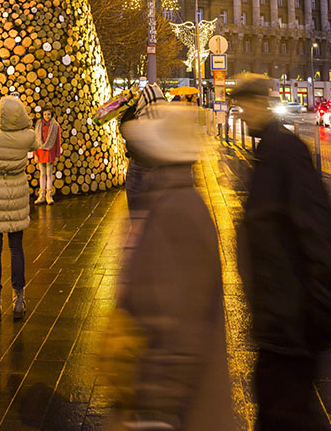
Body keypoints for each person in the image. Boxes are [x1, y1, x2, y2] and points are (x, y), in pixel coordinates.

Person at [233, 74, 331, 431]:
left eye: (247, 105)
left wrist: (320, 306)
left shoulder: (284, 151)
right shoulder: (266, 152)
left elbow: (318, 229)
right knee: (283, 409)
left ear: (264, 104)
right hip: (277, 315)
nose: (242, 113)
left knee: (285, 412)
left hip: (291, 318)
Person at [113, 101, 236, 431]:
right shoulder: (174, 199)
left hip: (180, 412)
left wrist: (154, 409)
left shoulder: (176, 210)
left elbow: (177, 324)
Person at [0, 95, 39, 321]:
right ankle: (19, 299)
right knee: (16, 248)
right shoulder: (27, 137)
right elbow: (37, 143)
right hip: (17, 192)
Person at [119, 83, 169, 212]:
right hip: (161, 168)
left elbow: (124, 129)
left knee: (137, 210)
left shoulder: (138, 117)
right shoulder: (167, 115)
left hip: (139, 167)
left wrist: (131, 107)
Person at [34, 108, 62, 205]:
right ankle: (41, 195)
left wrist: (58, 154)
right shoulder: (38, 125)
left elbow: (58, 141)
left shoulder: (55, 125)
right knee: (42, 173)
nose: (47, 116)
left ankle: (49, 195)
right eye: (45, 114)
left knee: (49, 173)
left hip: (50, 151)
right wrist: (35, 154)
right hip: (40, 151)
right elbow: (35, 140)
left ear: (52, 115)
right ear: (42, 115)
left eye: (49, 114)